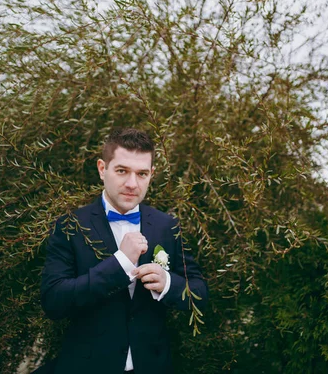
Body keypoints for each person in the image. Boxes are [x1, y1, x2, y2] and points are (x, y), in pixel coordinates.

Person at [40, 128, 208, 374]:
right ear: (102, 169)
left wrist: (168, 283)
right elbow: (54, 302)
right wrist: (119, 265)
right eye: (122, 171)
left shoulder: (167, 226)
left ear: (151, 174)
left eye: (141, 174)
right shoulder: (70, 226)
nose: (132, 184)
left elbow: (201, 293)